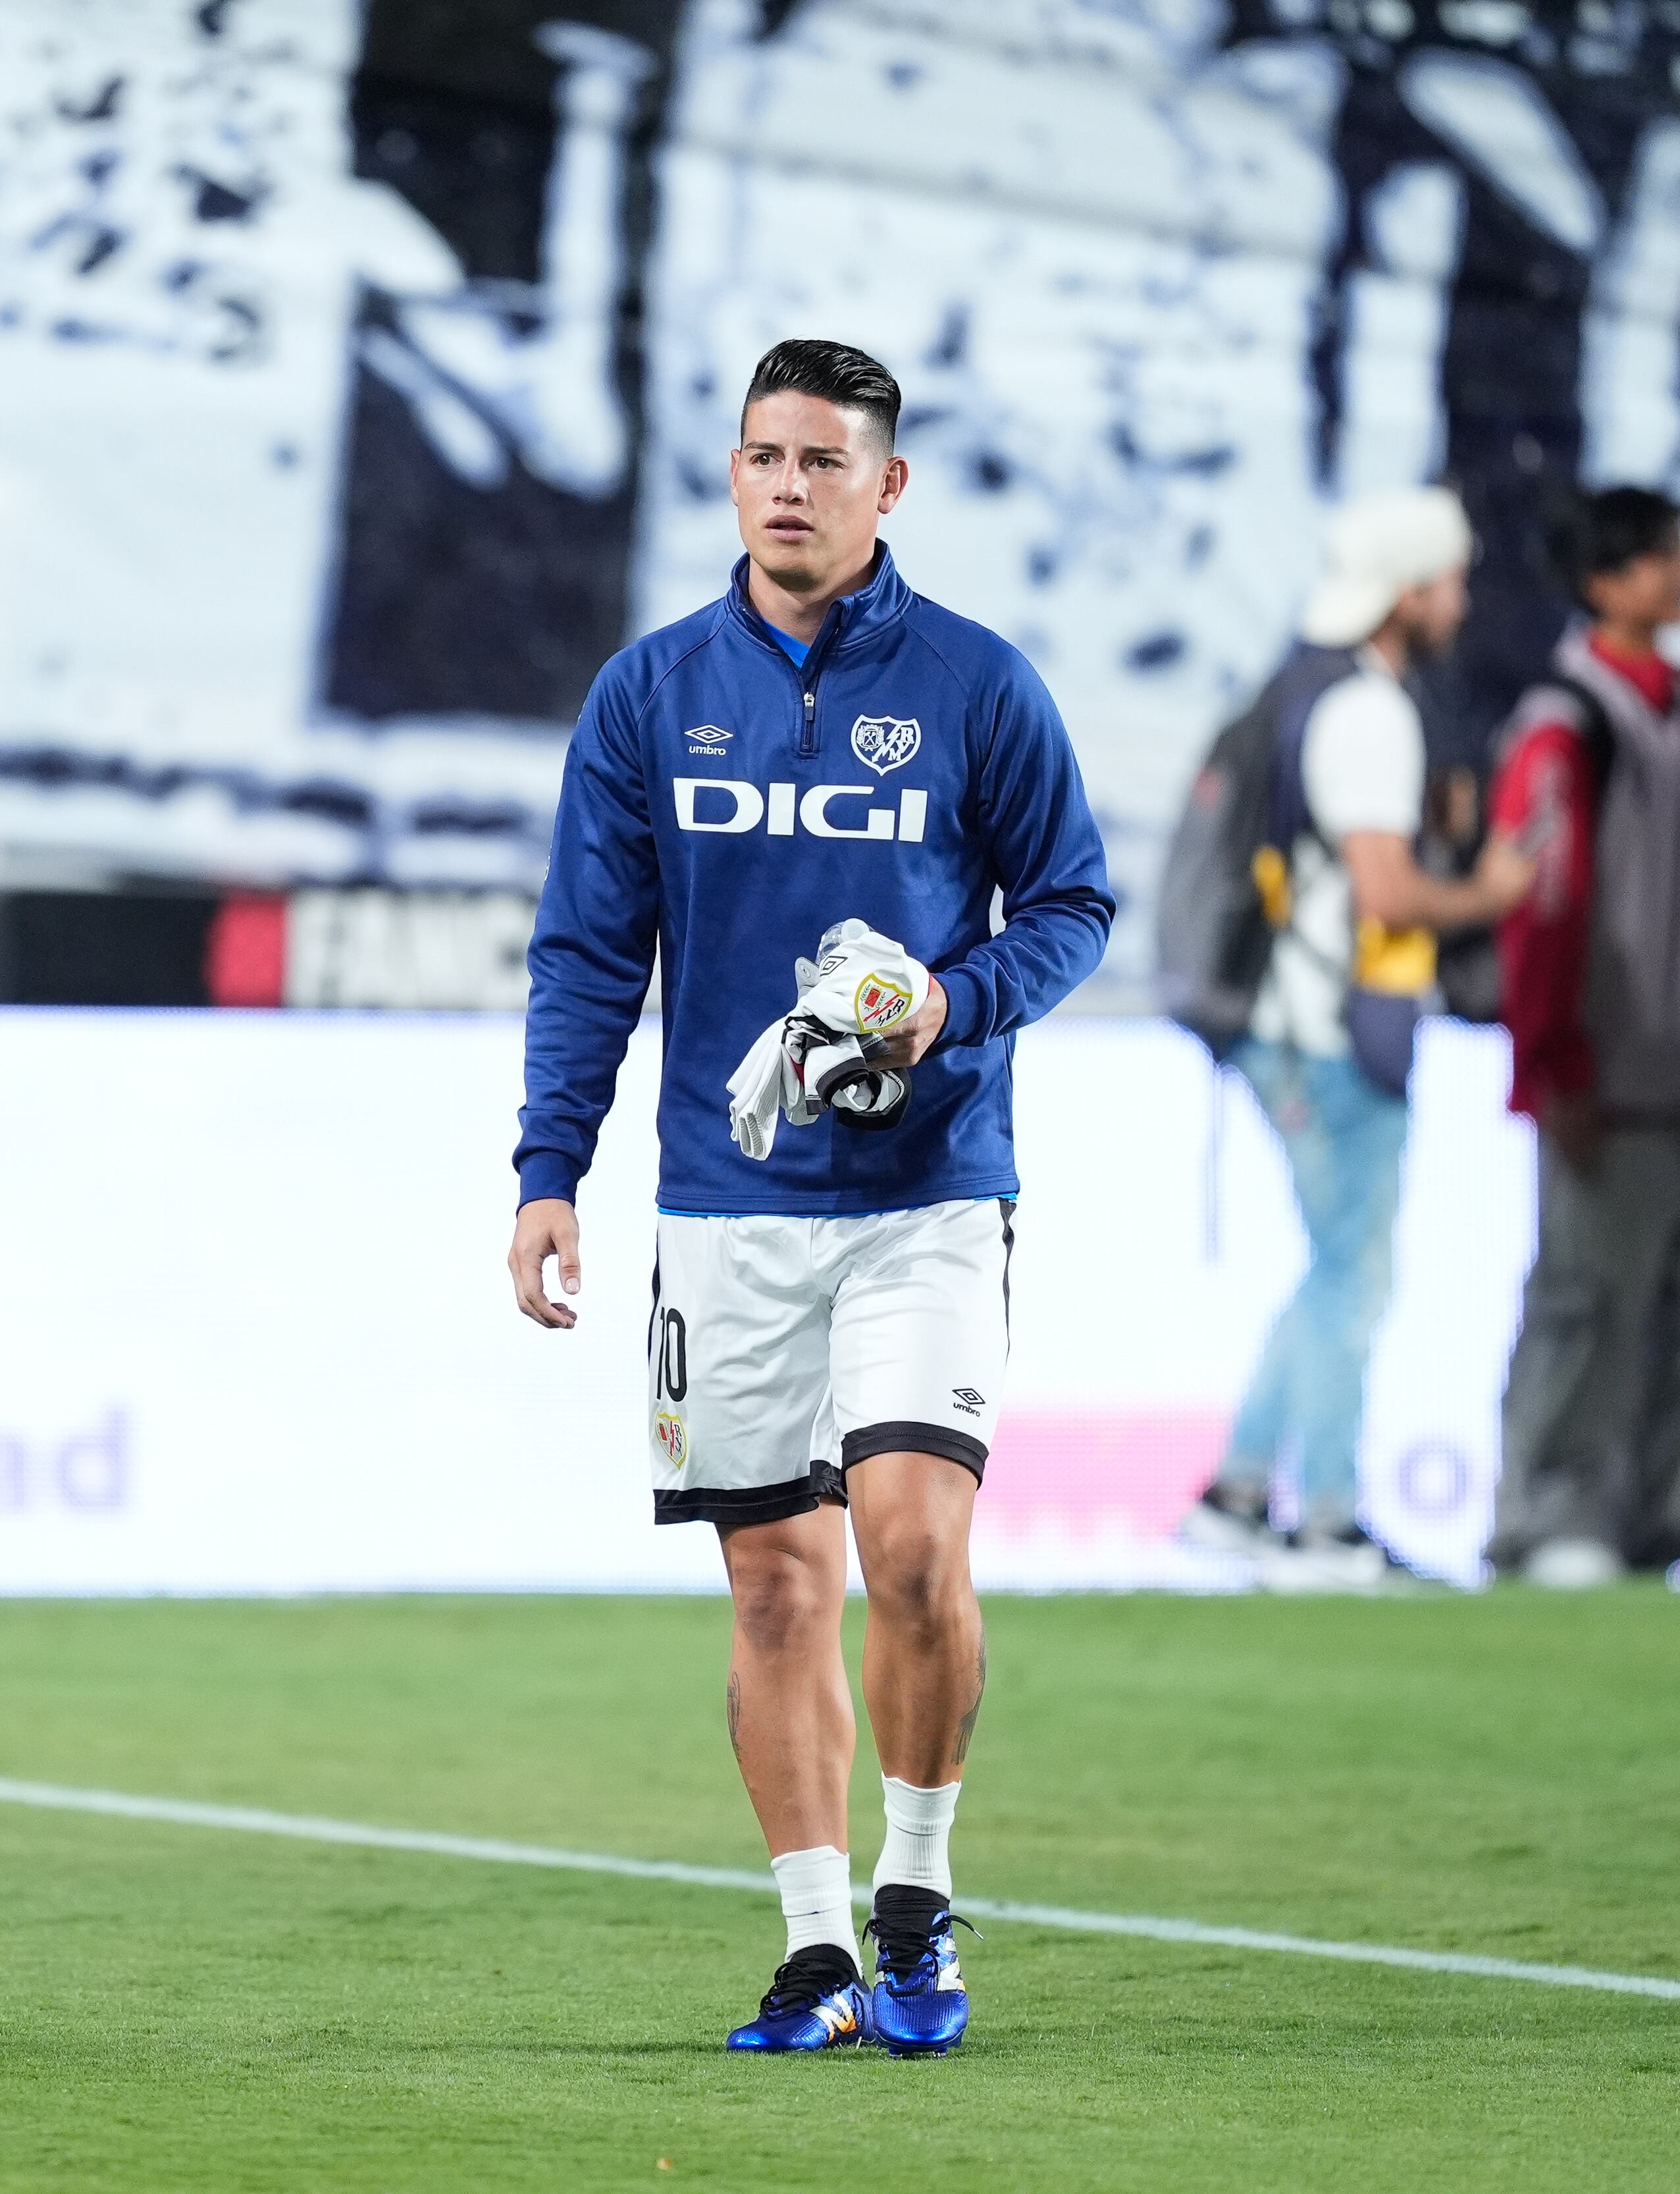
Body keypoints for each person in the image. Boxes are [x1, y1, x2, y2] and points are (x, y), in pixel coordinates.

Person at [507, 339, 1111, 2056]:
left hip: (927, 1183)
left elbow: (1070, 906)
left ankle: (915, 1895)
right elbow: (587, 948)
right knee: (776, 1583)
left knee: (912, 1547)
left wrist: (948, 1000)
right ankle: (813, 1943)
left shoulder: (980, 686)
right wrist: (551, 1166)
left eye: (822, 459)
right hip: (726, 1198)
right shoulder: (649, 694)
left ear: (886, 486)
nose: (787, 481)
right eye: (762, 453)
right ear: (735, 472)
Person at [1178, 489, 1533, 1584]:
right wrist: (1491, 888)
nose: (1461, 602)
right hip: (1331, 1033)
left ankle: (1240, 1495)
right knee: (1353, 1275)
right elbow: (1384, 889)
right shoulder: (1370, 711)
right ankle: (1325, 1518)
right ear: (1409, 592)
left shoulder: (1306, 687)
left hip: (1294, 1023)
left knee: (1336, 1268)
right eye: (1449, 582)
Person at [1484, 488, 1680, 1587]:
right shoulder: (1565, 718)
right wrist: (1551, 1060)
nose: (1679, 576)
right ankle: (1547, 1515)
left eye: (1677, 554)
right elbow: (1543, 905)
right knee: (1585, 1301)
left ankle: (1665, 1512)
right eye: (1655, 560)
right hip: (1609, 1064)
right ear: (1603, 582)